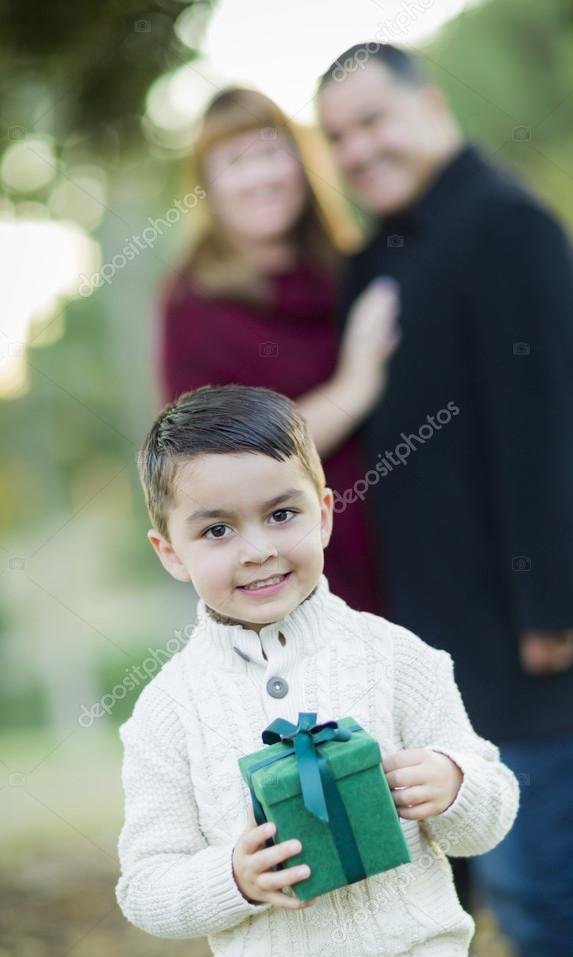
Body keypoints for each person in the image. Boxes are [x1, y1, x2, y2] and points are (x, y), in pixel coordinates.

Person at [317, 42, 573, 957]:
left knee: (539, 887)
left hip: (534, 623)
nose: (357, 150)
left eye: (373, 120)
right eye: (337, 137)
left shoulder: (505, 226)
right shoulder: (380, 257)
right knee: (565, 881)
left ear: (430, 104)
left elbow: (552, 424)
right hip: (448, 639)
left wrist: (550, 602)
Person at [114, 383, 520, 957]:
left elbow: (488, 816)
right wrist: (233, 879)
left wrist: (454, 782)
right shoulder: (167, 713)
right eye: (216, 530)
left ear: (325, 514)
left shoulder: (395, 657)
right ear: (171, 553)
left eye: (282, 515)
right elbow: (144, 887)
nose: (258, 551)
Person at [158, 86, 400, 615]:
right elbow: (215, 462)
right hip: (297, 574)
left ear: (300, 160)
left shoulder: (351, 267)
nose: (260, 176)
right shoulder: (194, 306)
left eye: (271, 153)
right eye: (235, 163)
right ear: (208, 187)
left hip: (410, 546)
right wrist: (354, 389)